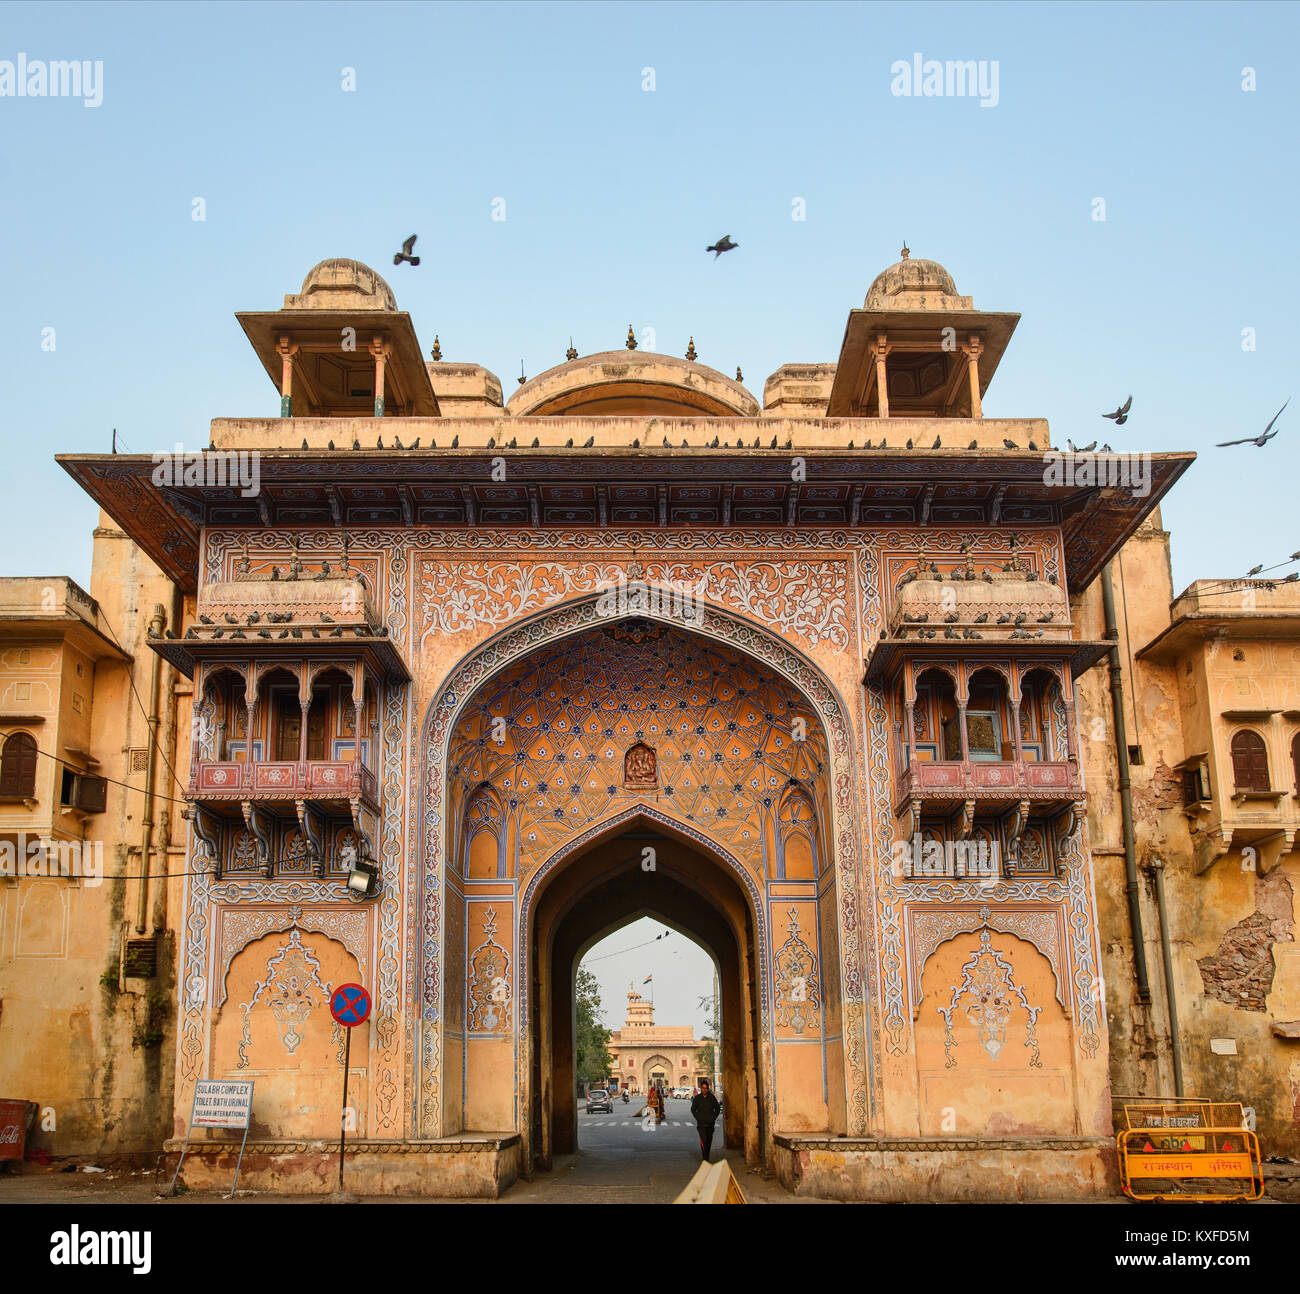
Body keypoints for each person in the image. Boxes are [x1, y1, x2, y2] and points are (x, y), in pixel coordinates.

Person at [690, 1078, 721, 1162]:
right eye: (703, 1088)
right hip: (701, 1124)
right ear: (701, 1088)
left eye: (706, 1088)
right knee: (703, 1140)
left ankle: (707, 1156)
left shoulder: (712, 1098)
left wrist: (713, 1118)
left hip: (710, 1124)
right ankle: (704, 1158)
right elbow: (693, 1109)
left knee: (708, 1141)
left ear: (708, 1088)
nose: (704, 1090)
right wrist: (698, 1117)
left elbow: (717, 1109)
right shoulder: (697, 1098)